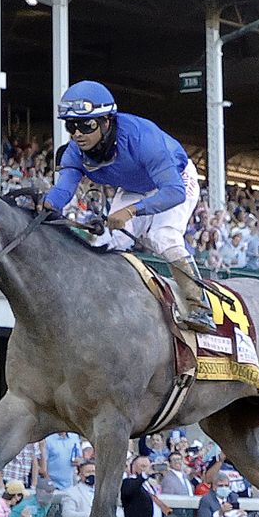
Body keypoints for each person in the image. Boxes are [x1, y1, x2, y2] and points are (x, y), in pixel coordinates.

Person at [42, 80, 211, 330]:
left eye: (86, 125)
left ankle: (200, 307)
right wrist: (45, 206)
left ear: (106, 122)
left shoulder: (144, 138)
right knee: (106, 242)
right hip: (134, 187)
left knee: (163, 237)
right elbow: (63, 189)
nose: (77, 134)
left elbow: (173, 192)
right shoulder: (74, 152)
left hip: (176, 180)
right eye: (71, 126)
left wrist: (132, 210)